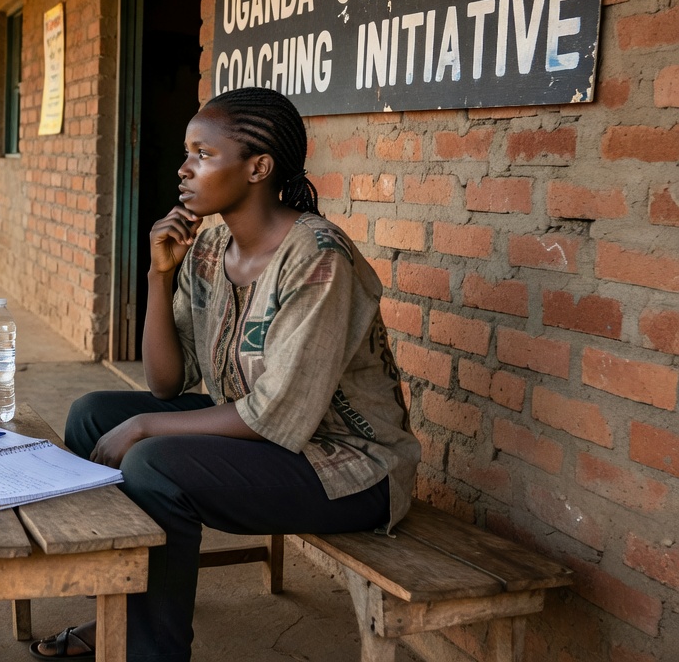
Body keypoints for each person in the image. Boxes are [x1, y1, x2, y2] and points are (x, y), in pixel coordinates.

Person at [32, 88, 420, 662]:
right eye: (187, 154)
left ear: (258, 168)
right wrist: (158, 275)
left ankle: (150, 650)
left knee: (152, 460)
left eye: (202, 155)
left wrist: (144, 428)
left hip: (349, 468)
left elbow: (272, 415)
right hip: (272, 440)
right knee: (92, 415)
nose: (184, 169)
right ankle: (122, 612)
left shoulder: (318, 258)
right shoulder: (211, 245)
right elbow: (167, 383)